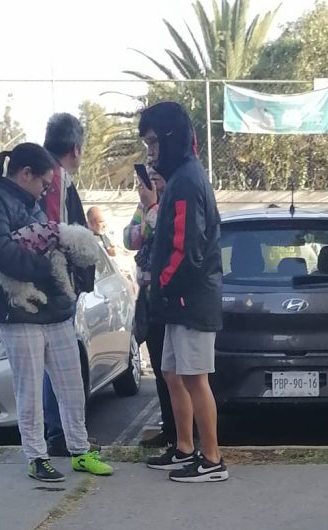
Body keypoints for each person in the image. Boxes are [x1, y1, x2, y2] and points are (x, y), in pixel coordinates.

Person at [0, 142, 113, 482]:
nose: (47, 189)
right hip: (16, 311)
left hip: (54, 311)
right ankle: (36, 456)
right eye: (44, 183)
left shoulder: (30, 203)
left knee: (71, 383)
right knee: (29, 387)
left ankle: (79, 449)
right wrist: (43, 270)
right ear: (25, 173)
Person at [138, 101, 227, 482]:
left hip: (190, 299)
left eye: (155, 142)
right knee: (173, 373)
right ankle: (185, 447)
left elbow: (183, 248)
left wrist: (159, 288)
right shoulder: (182, 178)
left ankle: (212, 460)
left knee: (195, 378)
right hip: (180, 299)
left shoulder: (188, 182)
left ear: (172, 138)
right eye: (148, 144)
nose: (151, 152)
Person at [40, 113, 99, 458]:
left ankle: (59, 433)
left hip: (50, 283)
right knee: (59, 362)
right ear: (75, 148)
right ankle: (61, 434)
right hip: (57, 284)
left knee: (53, 361)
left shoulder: (39, 172)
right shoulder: (57, 178)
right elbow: (55, 231)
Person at [124, 166, 183, 449]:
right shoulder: (145, 205)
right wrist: (148, 214)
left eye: (157, 173)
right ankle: (170, 429)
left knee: (176, 372)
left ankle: (182, 432)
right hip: (149, 300)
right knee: (160, 369)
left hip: (172, 298)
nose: (152, 178)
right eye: (148, 174)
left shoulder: (175, 200)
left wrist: (152, 209)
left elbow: (168, 236)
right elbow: (129, 238)